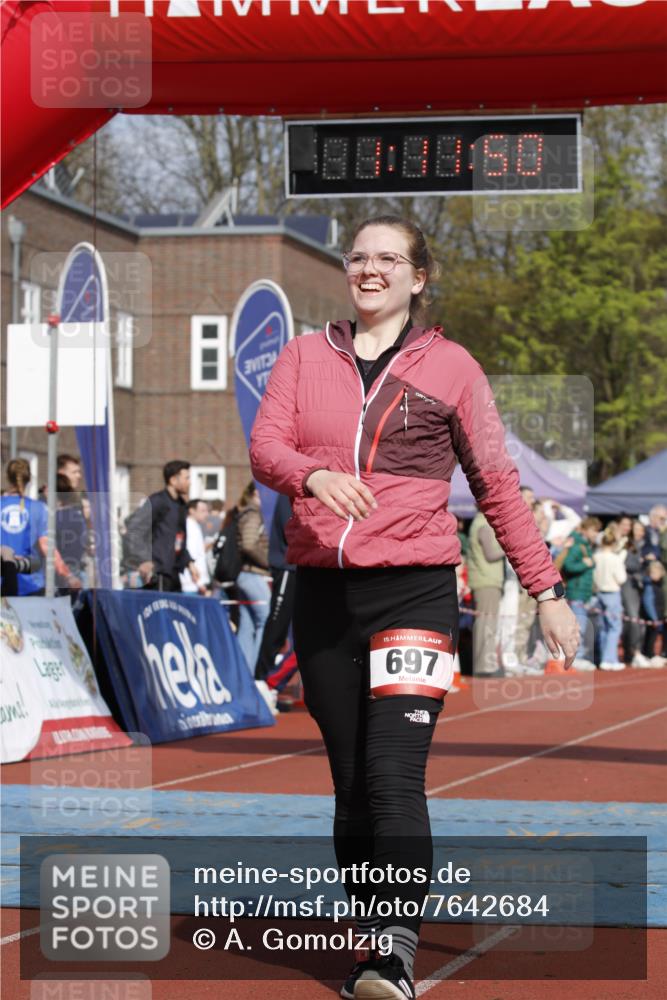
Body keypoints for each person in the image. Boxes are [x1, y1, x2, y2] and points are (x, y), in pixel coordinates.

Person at [250, 215, 578, 1000]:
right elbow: (265, 446)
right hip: (324, 596)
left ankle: (390, 955)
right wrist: (311, 477)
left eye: (388, 259)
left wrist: (546, 591)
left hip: (415, 590)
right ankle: (375, 931)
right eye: (359, 257)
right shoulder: (302, 356)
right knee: (350, 783)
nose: (370, 269)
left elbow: (497, 485)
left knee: (394, 775)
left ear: (417, 277)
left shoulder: (453, 368)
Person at [0, 458, 80, 596]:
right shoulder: (39, 508)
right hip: (31, 583)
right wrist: (67, 575)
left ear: (7, 477)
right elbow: (47, 547)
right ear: (29, 479)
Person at [123, 459, 199, 592]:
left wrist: (189, 563)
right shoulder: (157, 502)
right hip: (157, 574)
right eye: (186, 478)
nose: (190, 482)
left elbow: (178, 540)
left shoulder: (181, 505)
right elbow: (133, 529)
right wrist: (143, 560)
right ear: (173, 480)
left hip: (173, 574)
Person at [234, 482, 272, 674]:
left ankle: (243, 673)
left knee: (247, 626)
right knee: (266, 620)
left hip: (245, 575)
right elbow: (249, 544)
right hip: (253, 574)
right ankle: (257, 672)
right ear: (256, 492)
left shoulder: (247, 512)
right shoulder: (254, 513)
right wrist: (268, 562)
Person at [561, 516, 602, 671]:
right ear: (585, 529)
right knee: (579, 628)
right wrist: (584, 564)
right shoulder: (578, 546)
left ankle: (579, 657)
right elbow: (569, 565)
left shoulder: (586, 546)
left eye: (597, 531)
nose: (595, 534)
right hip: (575, 592)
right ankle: (574, 658)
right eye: (594, 530)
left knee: (582, 627)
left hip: (584, 593)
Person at [593, 525, 627, 670]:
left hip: (599, 592)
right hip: (612, 593)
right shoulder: (614, 558)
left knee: (604, 627)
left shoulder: (596, 556)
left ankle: (604, 657)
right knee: (614, 627)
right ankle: (609, 659)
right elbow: (621, 578)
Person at [179, 498, 211, 594]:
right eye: (203, 511)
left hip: (194, 584)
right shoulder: (189, 527)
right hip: (191, 584)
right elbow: (190, 555)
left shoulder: (195, 526)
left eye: (207, 511)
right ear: (192, 511)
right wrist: (199, 584)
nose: (207, 514)